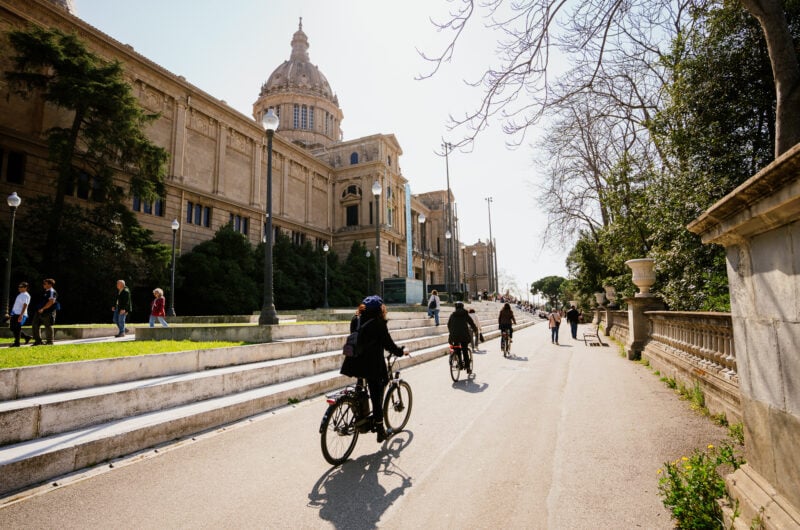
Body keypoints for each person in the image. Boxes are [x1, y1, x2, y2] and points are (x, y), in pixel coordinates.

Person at [340, 295, 408, 443]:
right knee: (376, 395)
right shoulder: (378, 323)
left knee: (361, 386)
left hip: (353, 362)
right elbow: (388, 344)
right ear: (380, 309)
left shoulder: (355, 319)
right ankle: (380, 430)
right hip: (372, 365)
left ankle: (360, 413)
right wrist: (401, 352)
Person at [447, 301, 478, 374]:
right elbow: (471, 323)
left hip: (454, 336)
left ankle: (460, 363)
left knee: (457, 348)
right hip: (464, 335)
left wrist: (452, 332)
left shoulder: (452, 315)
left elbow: (448, 325)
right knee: (464, 349)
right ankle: (467, 367)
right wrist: (475, 330)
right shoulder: (465, 314)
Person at [31, 278, 58, 346]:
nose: (43, 285)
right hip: (39, 311)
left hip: (47, 312)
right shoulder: (45, 291)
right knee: (35, 325)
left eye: (45, 284)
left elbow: (51, 302)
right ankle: (38, 341)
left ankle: (49, 341)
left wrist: (43, 308)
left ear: (50, 284)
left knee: (48, 326)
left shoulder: (52, 291)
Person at [8, 281, 32, 347]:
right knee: (13, 328)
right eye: (19, 287)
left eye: (21, 287)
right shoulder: (20, 294)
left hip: (20, 314)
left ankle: (17, 343)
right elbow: (16, 306)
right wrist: (11, 314)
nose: (19, 288)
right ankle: (26, 337)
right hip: (15, 314)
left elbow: (25, 305)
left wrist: (21, 315)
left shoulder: (26, 295)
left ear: (25, 288)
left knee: (17, 328)